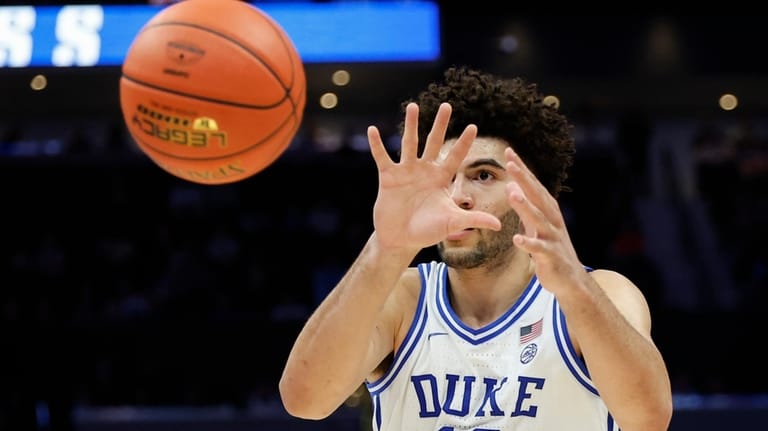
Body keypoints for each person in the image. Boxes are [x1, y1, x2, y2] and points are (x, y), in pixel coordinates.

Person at [279, 66, 673, 431]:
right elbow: (305, 400)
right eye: (446, 178)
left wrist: (576, 289)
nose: (458, 196)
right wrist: (386, 247)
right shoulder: (402, 298)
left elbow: (649, 418)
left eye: (483, 175)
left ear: (532, 193)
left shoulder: (602, 293)